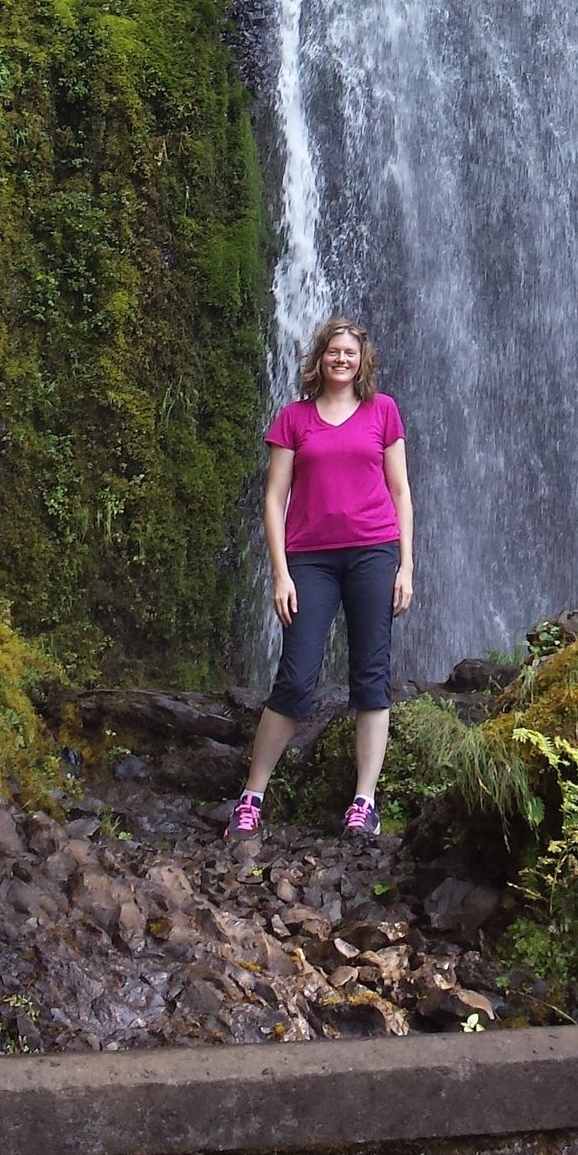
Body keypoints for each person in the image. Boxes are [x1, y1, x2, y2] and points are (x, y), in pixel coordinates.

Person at [225, 317, 414, 841]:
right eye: (334, 351)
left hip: (374, 552)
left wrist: (407, 564)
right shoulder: (293, 418)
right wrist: (280, 573)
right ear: (320, 358)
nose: (342, 359)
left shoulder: (383, 411)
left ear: (362, 361)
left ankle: (364, 801)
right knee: (296, 676)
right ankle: (252, 795)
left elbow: (401, 492)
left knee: (371, 674)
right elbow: (273, 498)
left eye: (350, 352)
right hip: (309, 558)